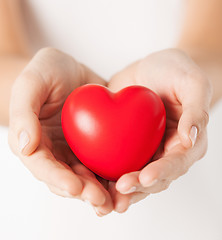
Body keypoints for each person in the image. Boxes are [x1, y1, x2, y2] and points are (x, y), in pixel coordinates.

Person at [0, 0, 222, 219]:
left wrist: (190, 84)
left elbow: (213, 48)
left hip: (197, 200)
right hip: (33, 205)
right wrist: (29, 98)